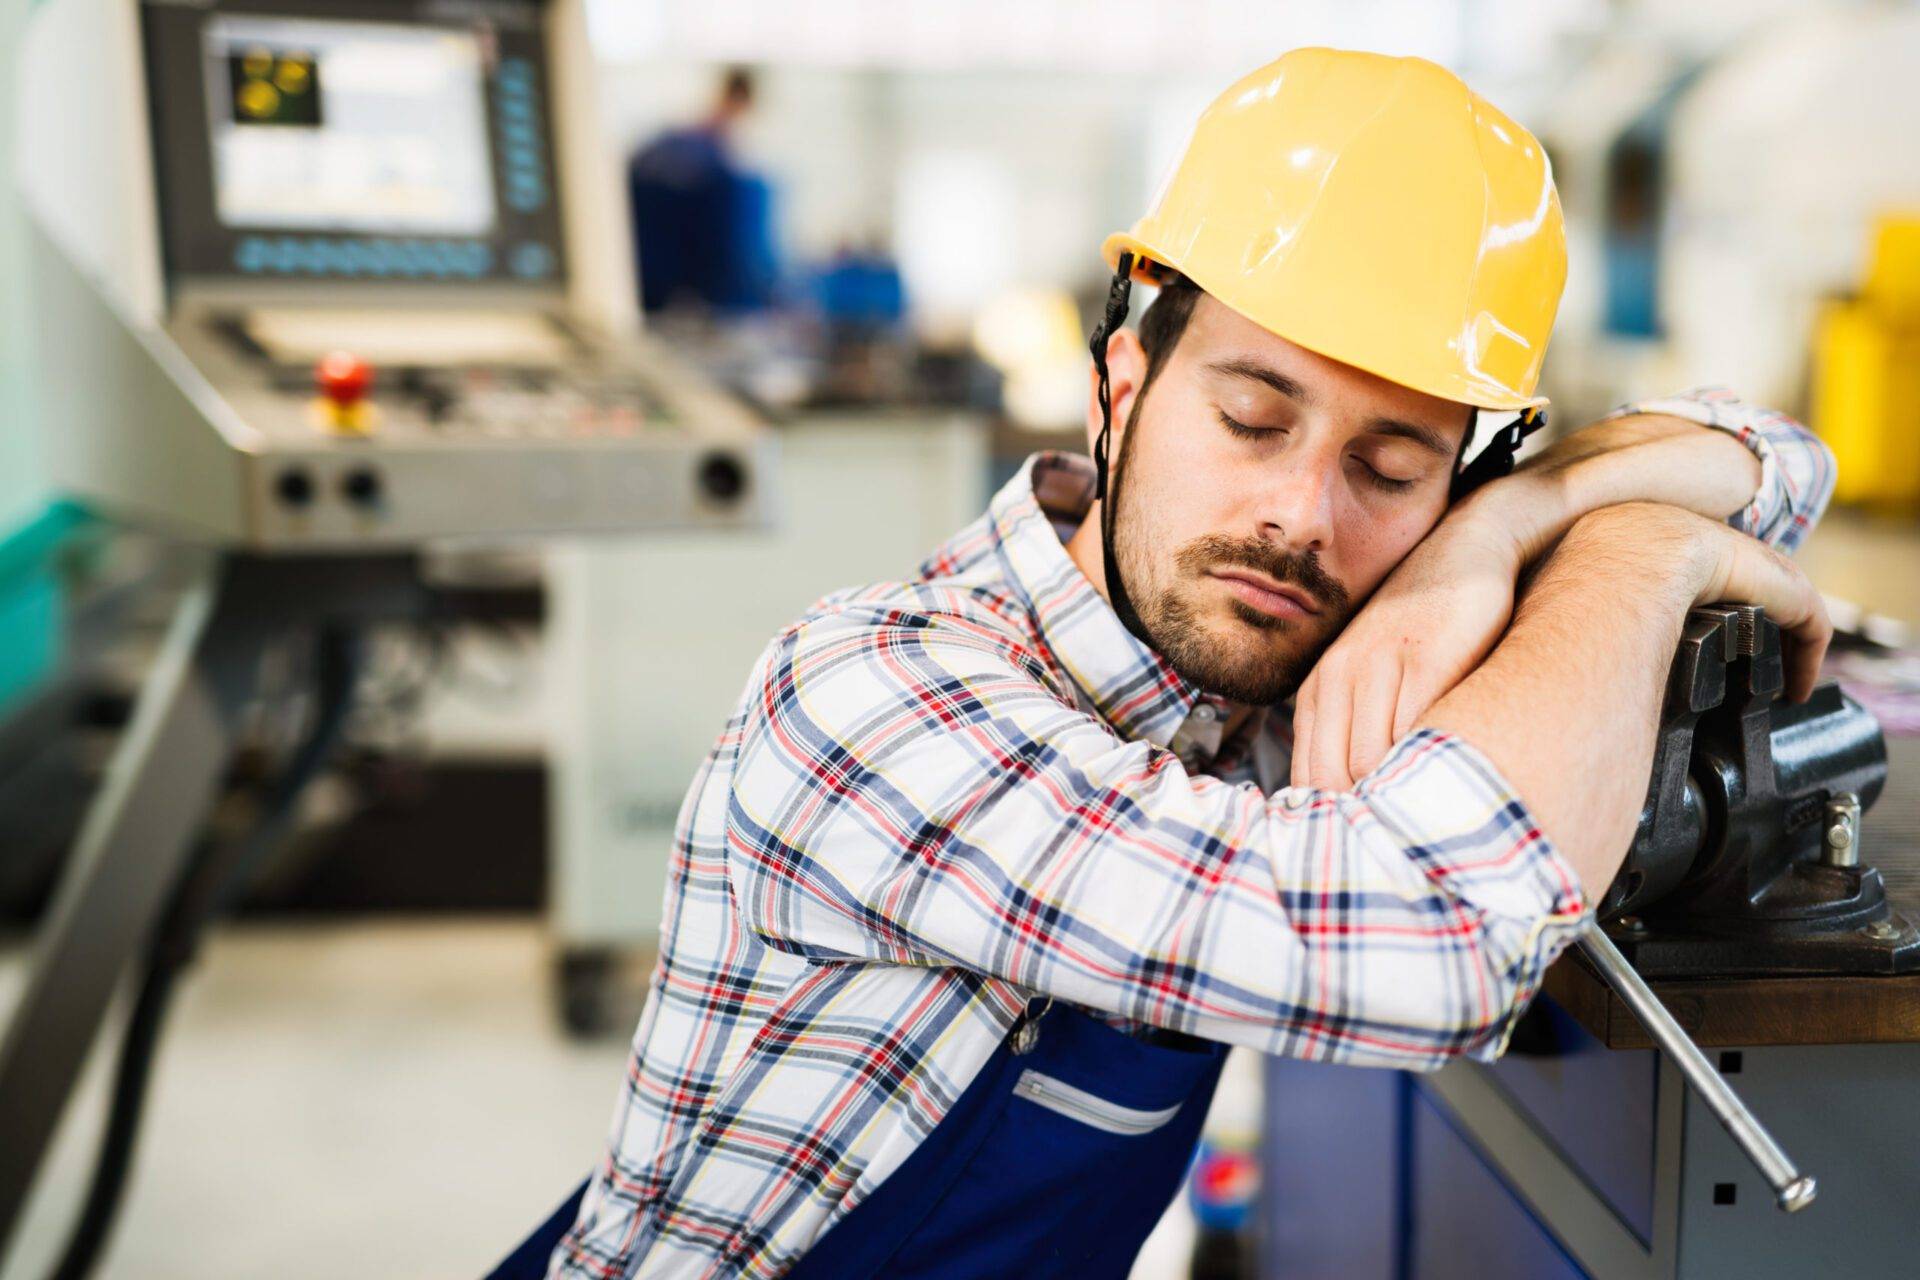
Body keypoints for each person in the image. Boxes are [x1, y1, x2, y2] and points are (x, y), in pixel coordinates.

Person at [524, 48, 1835, 1279]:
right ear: (1118, 386)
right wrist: (1631, 564)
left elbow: (1774, 454)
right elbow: (1435, 944)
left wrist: (1509, 525)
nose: (1302, 517)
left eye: (1389, 467)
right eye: (1252, 418)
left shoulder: (1255, 689)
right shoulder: (870, 697)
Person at [627, 67, 775, 316]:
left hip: (650, 277)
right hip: (681, 284)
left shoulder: (672, 144)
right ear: (742, 102)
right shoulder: (714, 162)